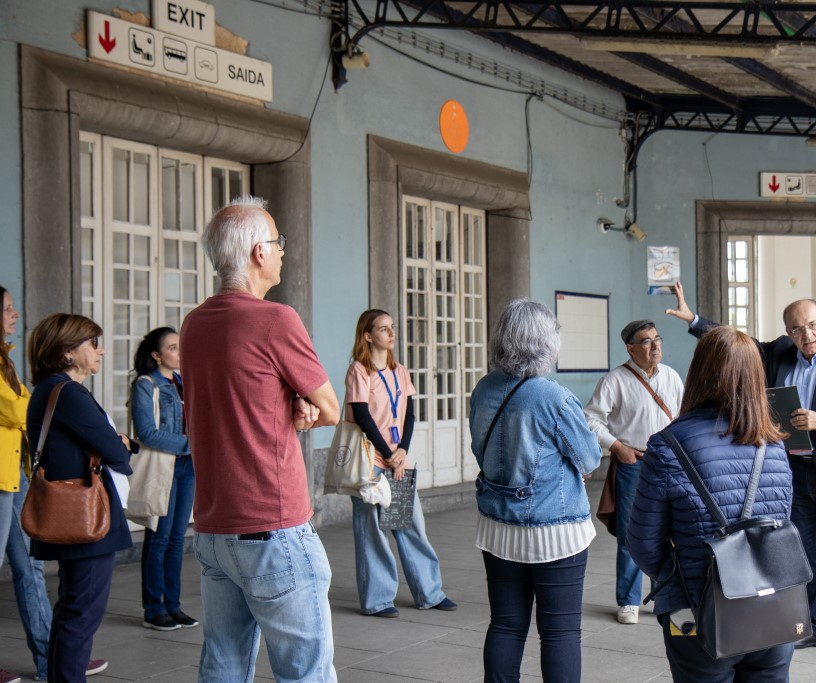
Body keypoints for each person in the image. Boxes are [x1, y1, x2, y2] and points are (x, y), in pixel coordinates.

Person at [180, 196, 341, 682]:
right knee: (306, 672)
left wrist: (289, 402)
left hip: (214, 527)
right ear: (257, 252)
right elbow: (331, 408)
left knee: (224, 666)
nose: (283, 251)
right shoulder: (275, 319)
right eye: (277, 242)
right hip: (272, 526)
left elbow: (237, 400)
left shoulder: (194, 325)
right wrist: (300, 404)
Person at [667, 281, 816, 648]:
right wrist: (696, 321)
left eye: (812, 325)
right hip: (792, 475)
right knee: (801, 555)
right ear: (787, 332)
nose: (806, 334)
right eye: (797, 328)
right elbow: (734, 346)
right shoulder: (778, 353)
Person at [626, 325, 794, 682]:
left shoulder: (667, 445)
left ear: (698, 373)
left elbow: (642, 543)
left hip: (695, 608)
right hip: (773, 605)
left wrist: (676, 576)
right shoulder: (775, 445)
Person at [469, 299, 602, 682]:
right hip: (556, 530)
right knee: (559, 632)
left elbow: (480, 447)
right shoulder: (552, 396)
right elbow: (590, 458)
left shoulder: (484, 389)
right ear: (546, 343)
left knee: (505, 626)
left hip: (497, 526)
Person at [26, 314, 128, 681]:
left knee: (72, 609)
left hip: (70, 511)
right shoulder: (68, 393)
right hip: (82, 516)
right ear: (68, 353)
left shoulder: (51, 389)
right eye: (93, 344)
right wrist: (121, 446)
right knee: (81, 612)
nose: (101, 351)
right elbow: (115, 451)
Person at [345, 309, 456, 617]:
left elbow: (409, 414)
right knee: (372, 533)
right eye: (383, 329)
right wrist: (389, 452)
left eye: (392, 327)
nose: (391, 333)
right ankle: (378, 600)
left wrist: (402, 451)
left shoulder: (400, 371)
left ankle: (429, 594)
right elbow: (363, 416)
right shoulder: (359, 370)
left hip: (398, 462)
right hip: (371, 463)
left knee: (408, 525)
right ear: (368, 336)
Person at [584, 319, 683, 624]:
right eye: (646, 342)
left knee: (671, 531)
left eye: (657, 340)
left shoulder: (671, 377)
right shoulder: (614, 380)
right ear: (630, 348)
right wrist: (618, 448)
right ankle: (628, 601)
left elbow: (683, 416)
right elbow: (590, 419)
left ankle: (664, 597)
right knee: (631, 534)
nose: (655, 346)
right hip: (633, 464)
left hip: (668, 463)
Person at [130, 327, 196, 632]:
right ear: (156, 355)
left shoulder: (184, 383)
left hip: (188, 468)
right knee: (158, 539)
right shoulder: (147, 385)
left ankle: (173, 605)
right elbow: (147, 433)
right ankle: (153, 608)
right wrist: (191, 445)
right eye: (172, 348)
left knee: (176, 540)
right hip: (164, 467)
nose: (180, 352)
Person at [0, 287, 50, 683]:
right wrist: (27, 410)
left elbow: (23, 410)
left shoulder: (7, 359)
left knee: (29, 567)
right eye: (8, 309)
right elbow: (19, 408)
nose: (15, 314)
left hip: (12, 474)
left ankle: (51, 658)